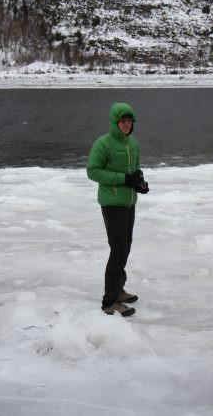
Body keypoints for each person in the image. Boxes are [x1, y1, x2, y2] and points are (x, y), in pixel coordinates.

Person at [87, 102, 149, 317]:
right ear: (115, 122)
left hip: (129, 202)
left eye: (129, 120)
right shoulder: (103, 143)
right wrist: (124, 179)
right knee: (118, 250)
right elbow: (93, 171)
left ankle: (118, 290)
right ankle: (109, 301)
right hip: (112, 203)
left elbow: (136, 168)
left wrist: (139, 182)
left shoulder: (133, 143)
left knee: (125, 248)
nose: (125, 124)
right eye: (122, 121)